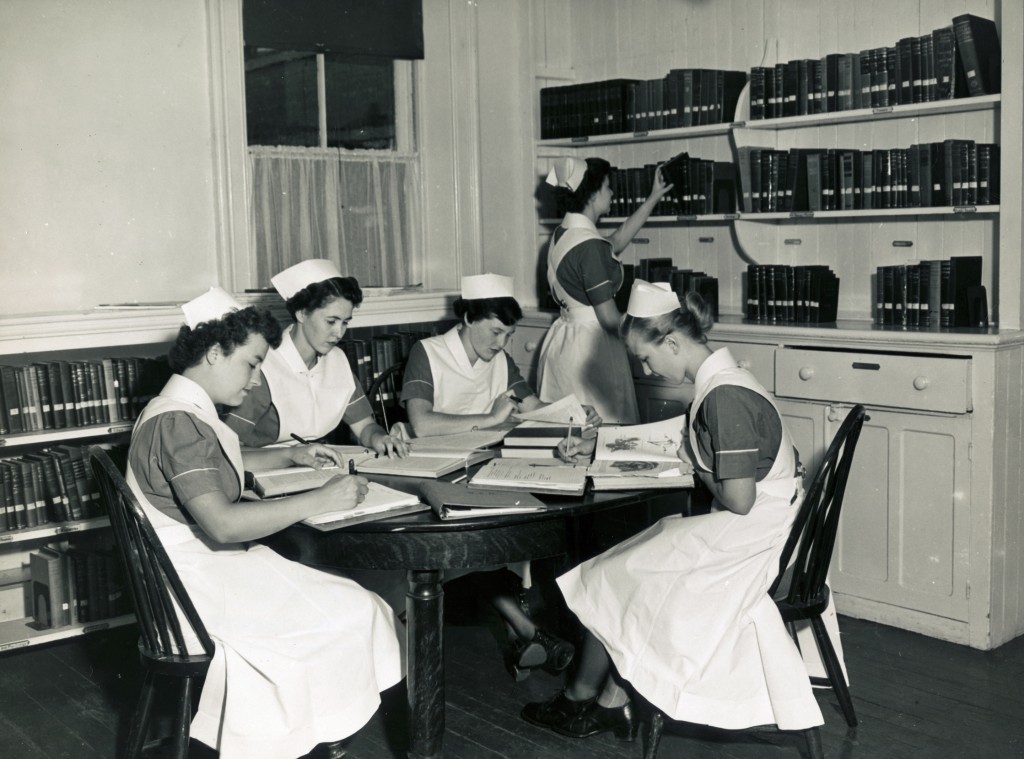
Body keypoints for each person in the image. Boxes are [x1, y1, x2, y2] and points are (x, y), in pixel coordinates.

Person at [522, 280, 836, 741]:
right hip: (769, 527)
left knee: (612, 573)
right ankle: (607, 698)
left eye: (646, 357)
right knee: (629, 559)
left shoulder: (722, 398)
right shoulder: (732, 378)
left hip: (752, 540)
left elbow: (739, 499)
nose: (645, 366)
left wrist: (692, 460)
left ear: (672, 341)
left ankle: (587, 700)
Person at [126, 286, 404, 759]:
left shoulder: (178, 410)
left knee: (360, 606)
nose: (256, 380)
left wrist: (290, 452)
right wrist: (321, 496)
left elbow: (222, 457)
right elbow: (225, 526)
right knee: (357, 612)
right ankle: (312, 743)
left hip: (197, 572)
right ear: (214, 353)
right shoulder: (179, 423)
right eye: (252, 363)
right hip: (194, 589)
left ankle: (316, 738)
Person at [401, 273, 596, 679]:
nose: (501, 344)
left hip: (485, 468)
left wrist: (576, 417)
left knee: (522, 525)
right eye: (494, 332)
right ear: (468, 319)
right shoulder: (428, 352)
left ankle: (521, 636)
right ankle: (526, 632)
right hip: (432, 474)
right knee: (479, 546)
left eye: (508, 335)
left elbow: (536, 407)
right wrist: (488, 419)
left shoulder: (500, 360)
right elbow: (419, 424)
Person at [223, 258, 408, 458]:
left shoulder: (337, 359)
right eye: (331, 321)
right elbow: (229, 448)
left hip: (319, 463)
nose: (339, 333)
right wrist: (291, 457)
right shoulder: (264, 368)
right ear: (302, 313)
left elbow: (364, 426)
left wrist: (379, 438)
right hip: (267, 469)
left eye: (345, 323)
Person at [537, 156, 672, 425]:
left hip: (563, 342)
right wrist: (656, 324)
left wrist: (653, 197)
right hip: (592, 351)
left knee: (566, 431)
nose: (611, 193)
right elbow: (610, 319)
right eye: (608, 187)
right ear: (594, 192)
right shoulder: (590, 248)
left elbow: (616, 241)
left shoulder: (564, 234)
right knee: (605, 433)